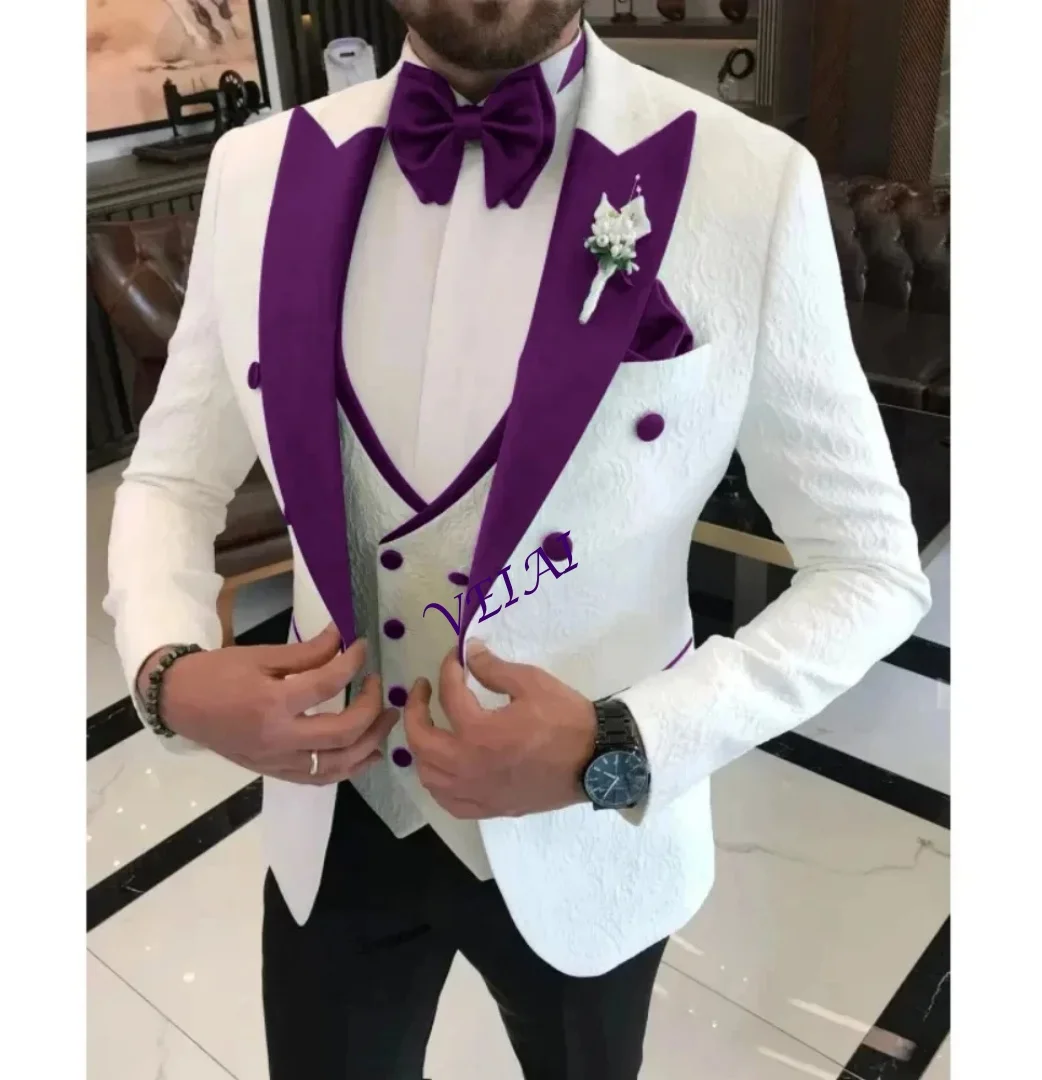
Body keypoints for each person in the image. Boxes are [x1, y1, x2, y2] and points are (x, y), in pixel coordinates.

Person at [104, 2, 932, 1077]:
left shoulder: (751, 183)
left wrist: (627, 743)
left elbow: (870, 568)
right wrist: (166, 671)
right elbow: (171, 476)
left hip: (591, 843)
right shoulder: (257, 172)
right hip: (330, 828)